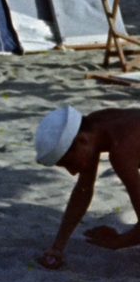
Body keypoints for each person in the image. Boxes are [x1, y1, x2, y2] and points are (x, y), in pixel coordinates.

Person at [34, 106, 140, 269]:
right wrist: (57, 247)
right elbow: (83, 190)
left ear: (82, 140)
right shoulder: (95, 124)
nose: (72, 171)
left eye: (69, 163)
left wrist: (117, 241)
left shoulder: (122, 152)